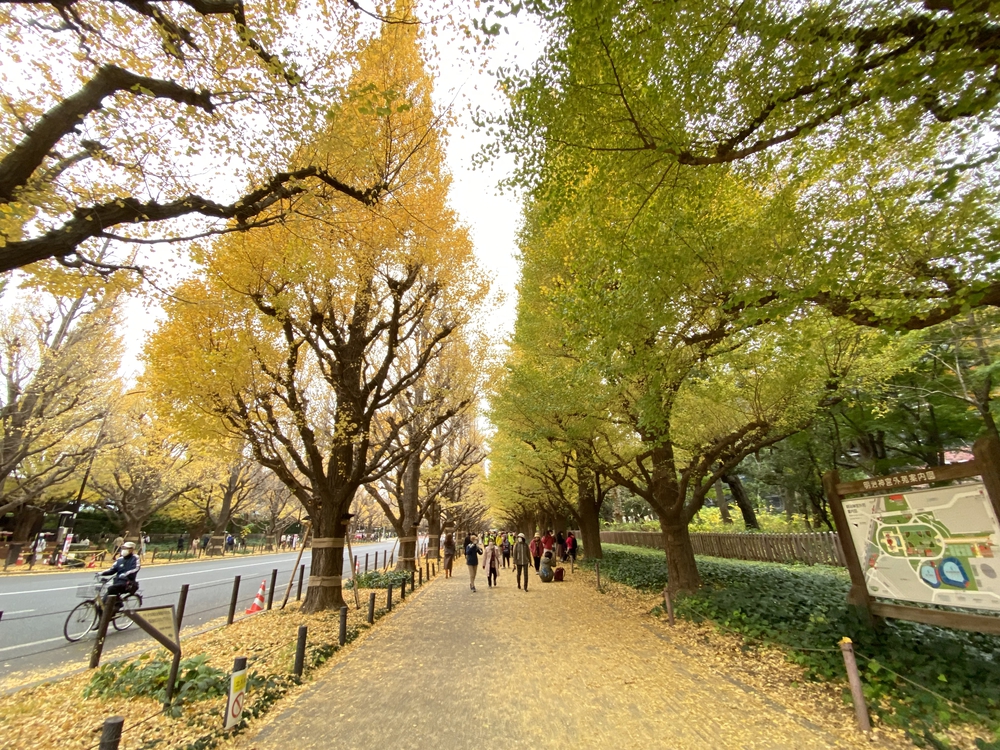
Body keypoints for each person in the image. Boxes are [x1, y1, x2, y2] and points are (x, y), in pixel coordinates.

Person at [99, 541, 141, 608]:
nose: (124, 550)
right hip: (117, 582)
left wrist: (126, 574)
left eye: (126, 548)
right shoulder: (120, 559)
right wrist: (101, 573)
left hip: (128, 583)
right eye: (123, 548)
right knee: (104, 601)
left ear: (132, 549)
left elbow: (136, 568)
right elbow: (112, 570)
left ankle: (119, 603)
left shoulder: (135, 558)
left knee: (111, 589)